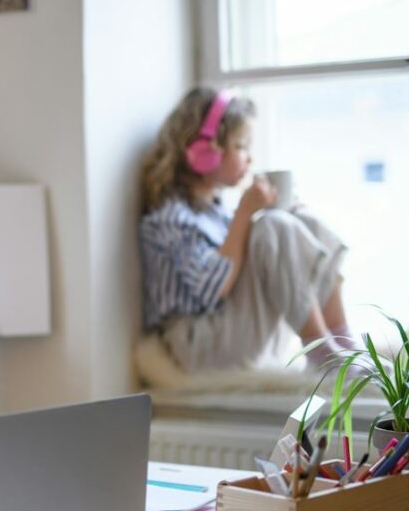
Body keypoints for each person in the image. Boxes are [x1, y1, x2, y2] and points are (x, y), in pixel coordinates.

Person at [139, 87, 357, 374]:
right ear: (203, 151)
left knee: (301, 221)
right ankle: (324, 357)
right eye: (241, 146)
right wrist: (246, 213)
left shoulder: (216, 212)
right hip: (199, 345)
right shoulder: (170, 218)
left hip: (233, 331)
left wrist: (289, 226)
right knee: (271, 226)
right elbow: (213, 289)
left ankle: (344, 344)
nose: (249, 159)